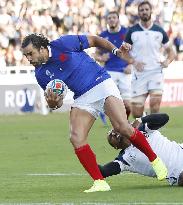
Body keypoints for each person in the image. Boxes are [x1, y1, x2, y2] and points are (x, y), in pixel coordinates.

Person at [21, 33, 167, 193]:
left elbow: (95, 40)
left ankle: (154, 160)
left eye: (30, 53)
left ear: (42, 48)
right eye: (26, 55)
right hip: (82, 97)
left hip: (100, 83)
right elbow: (57, 101)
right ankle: (100, 182)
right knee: (76, 138)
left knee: (122, 127)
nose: (28, 58)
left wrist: (116, 51)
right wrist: (53, 103)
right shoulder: (40, 74)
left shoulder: (63, 44)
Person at [99, 113, 183, 187]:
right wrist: (86, 159)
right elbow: (103, 172)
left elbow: (165, 118)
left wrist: (141, 119)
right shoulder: (125, 159)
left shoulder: (143, 129)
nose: (114, 134)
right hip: (178, 173)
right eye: (111, 136)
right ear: (115, 147)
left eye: (113, 131)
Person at [124, 1, 175, 118]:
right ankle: (145, 121)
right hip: (139, 75)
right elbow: (123, 53)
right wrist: (133, 62)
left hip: (156, 72)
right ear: (138, 13)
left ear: (151, 11)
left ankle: (153, 134)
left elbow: (171, 52)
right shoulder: (132, 31)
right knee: (136, 113)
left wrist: (167, 61)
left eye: (146, 9)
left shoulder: (159, 30)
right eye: (141, 10)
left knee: (155, 106)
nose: (144, 12)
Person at [94, 11, 131, 123]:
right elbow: (95, 54)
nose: (111, 20)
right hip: (109, 72)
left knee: (128, 106)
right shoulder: (103, 35)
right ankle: (121, 125)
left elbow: (137, 52)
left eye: (114, 17)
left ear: (118, 19)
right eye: (109, 18)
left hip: (125, 72)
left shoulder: (126, 33)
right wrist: (100, 58)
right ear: (107, 20)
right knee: (112, 102)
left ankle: (123, 123)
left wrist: (130, 65)